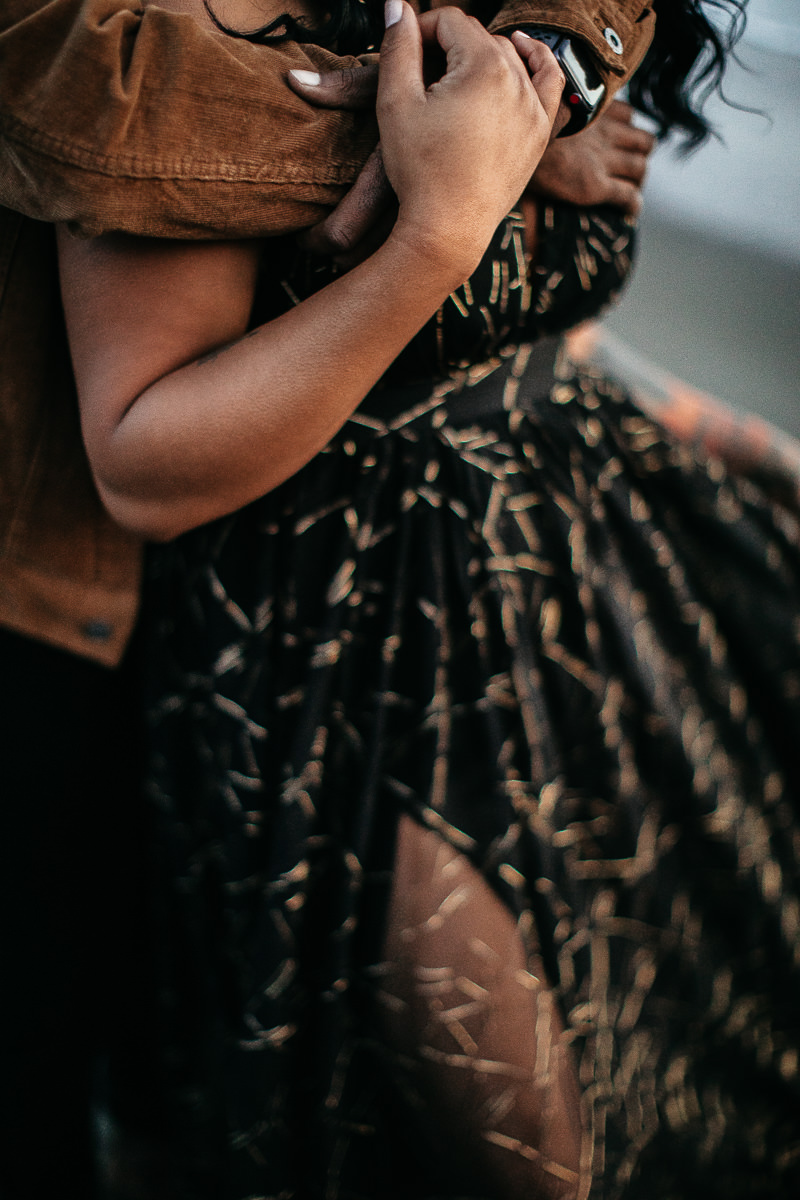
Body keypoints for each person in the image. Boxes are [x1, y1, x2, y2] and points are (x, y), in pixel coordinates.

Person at [56, 0, 800, 1196]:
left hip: (580, 581)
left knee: (698, 1047)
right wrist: (436, 237)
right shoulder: (210, 29)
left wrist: (725, 437)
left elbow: (529, 345)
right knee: (520, 1155)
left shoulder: (564, 23)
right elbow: (143, 458)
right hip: (347, 640)